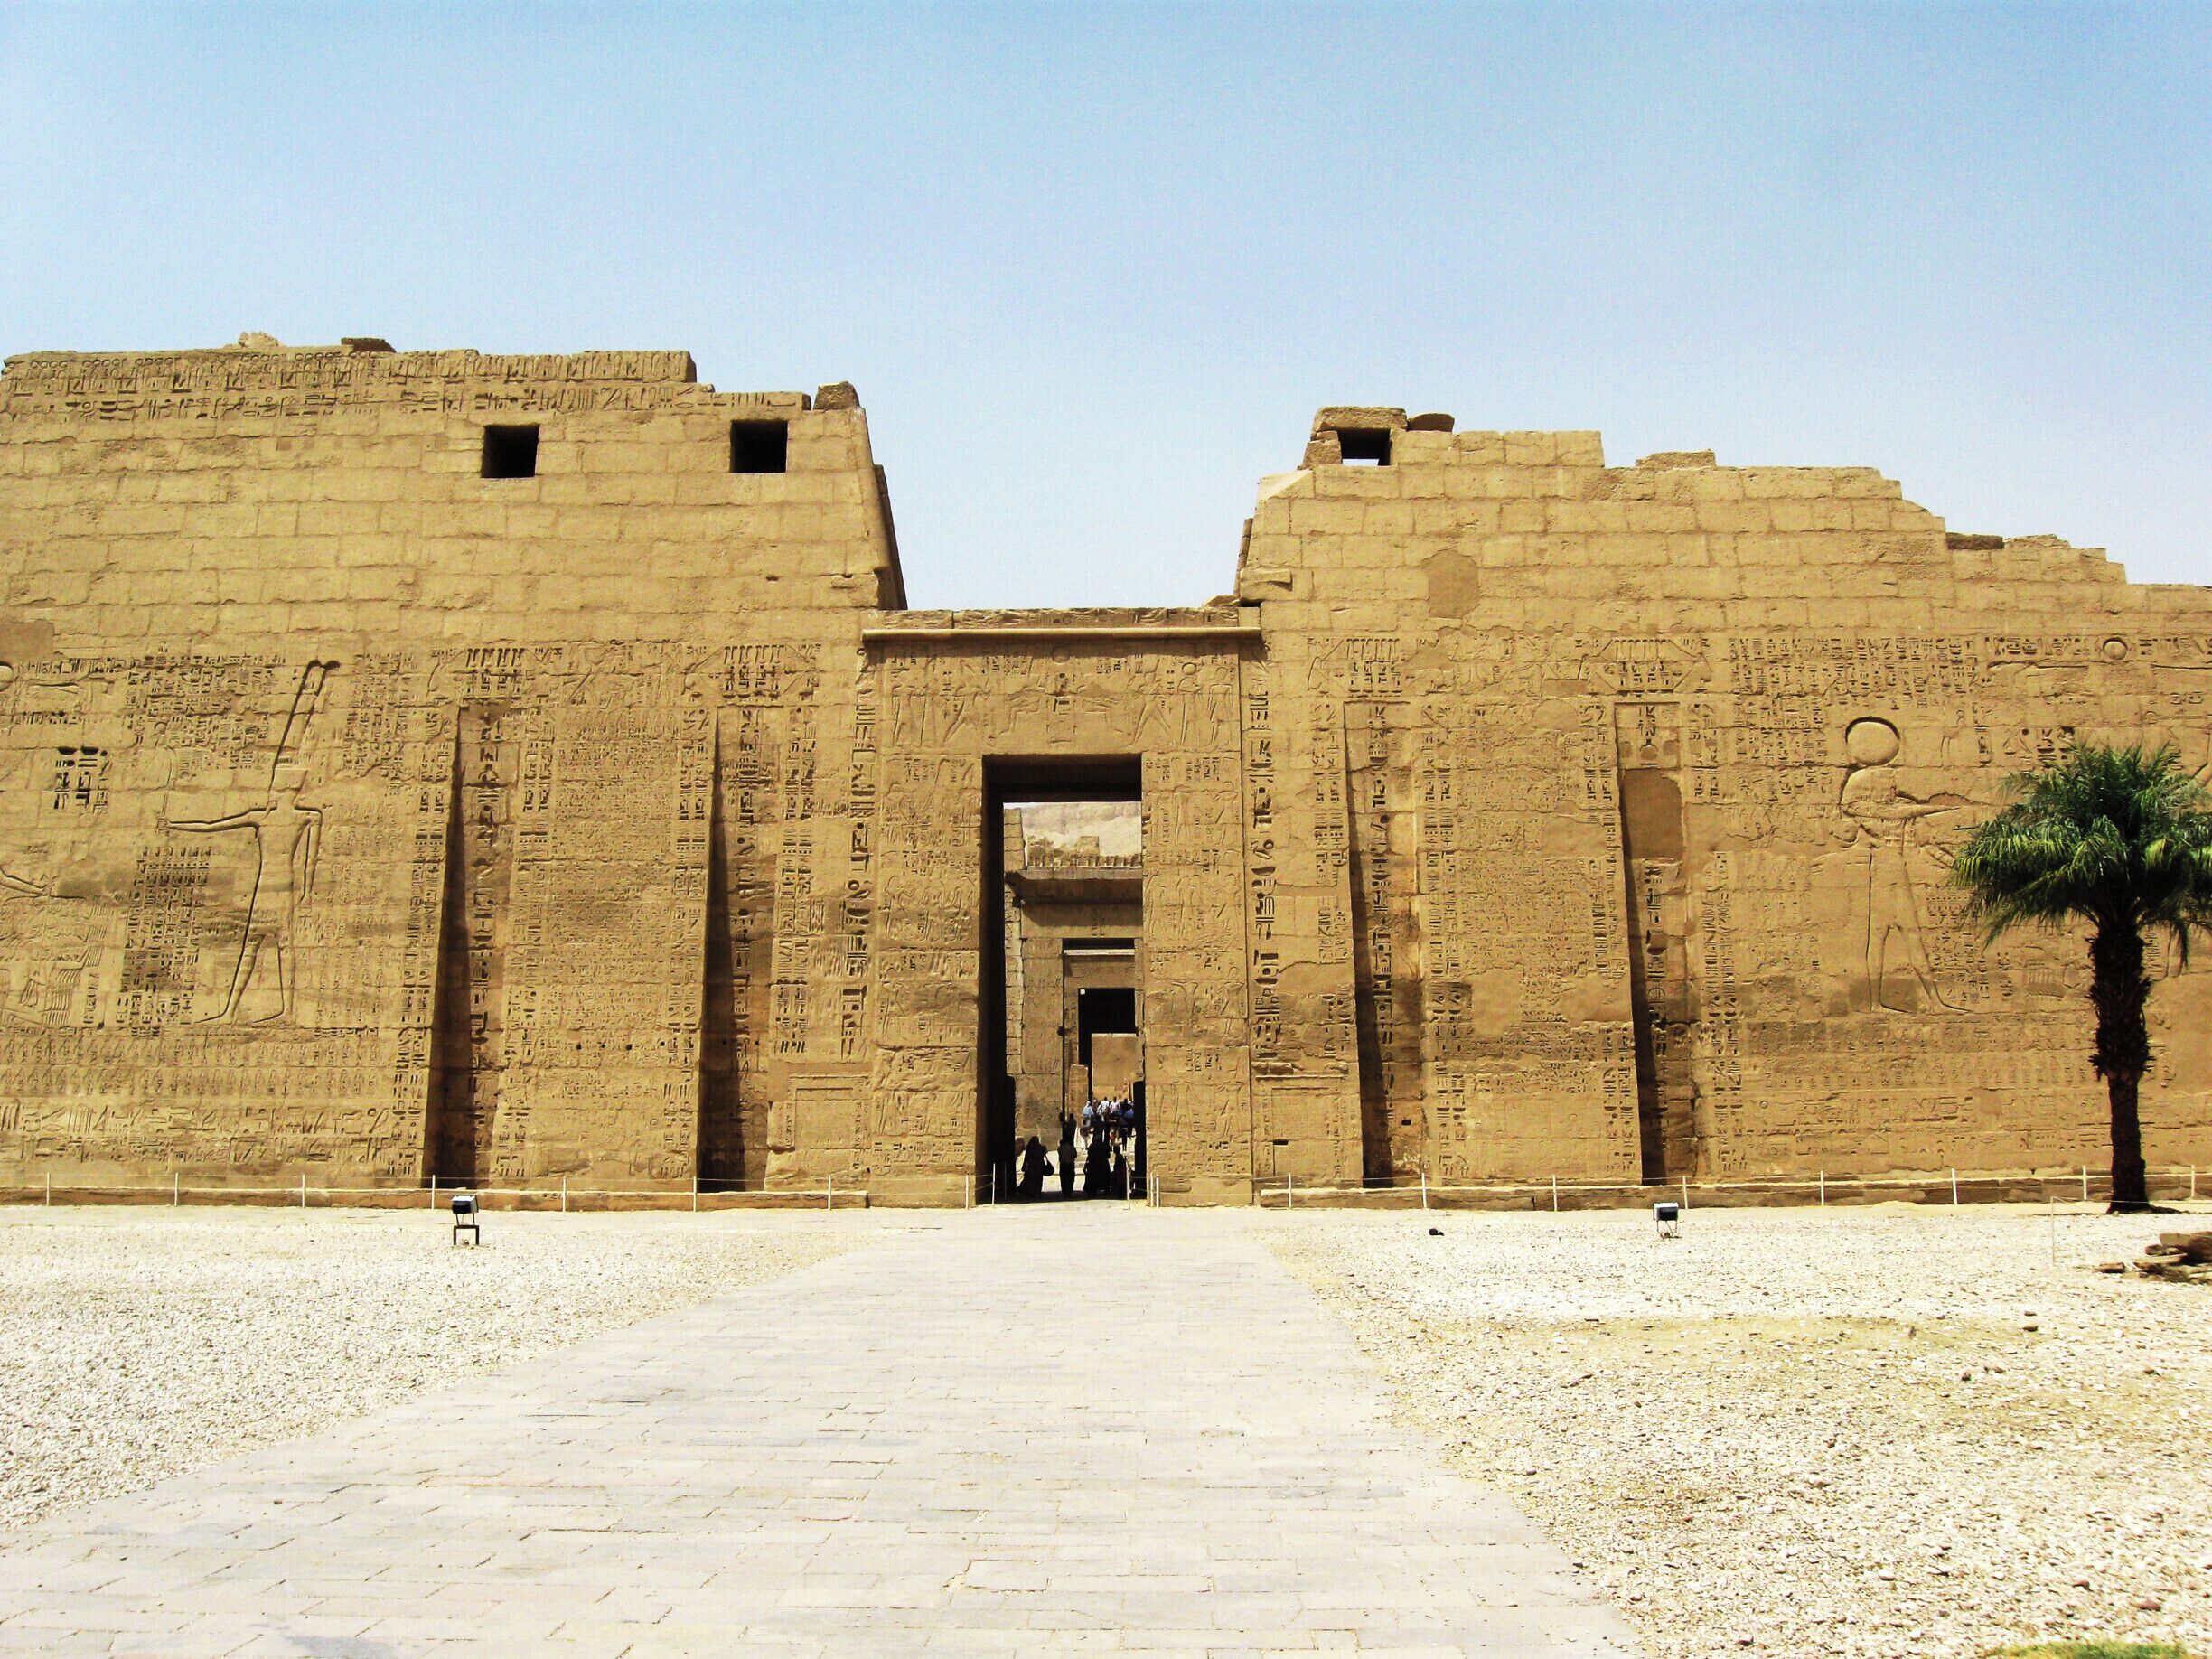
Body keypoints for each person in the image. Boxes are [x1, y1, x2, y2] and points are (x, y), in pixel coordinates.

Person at [1018, 1134, 1048, 1200]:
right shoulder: (1040, 1148)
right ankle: (1037, 1192)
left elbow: (1026, 1158)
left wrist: (1024, 1166)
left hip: (1031, 1167)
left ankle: (1032, 1192)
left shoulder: (1029, 1148)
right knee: (1038, 1180)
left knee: (1031, 1180)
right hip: (1039, 1167)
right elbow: (1045, 1152)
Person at [1057, 1113, 1077, 1198]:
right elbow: (1075, 1155)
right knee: (1071, 1178)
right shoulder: (1072, 1148)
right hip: (1070, 1164)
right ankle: (1069, 1191)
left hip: (1063, 1164)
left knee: (1063, 1178)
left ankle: (1065, 1191)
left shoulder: (1060, 1148)